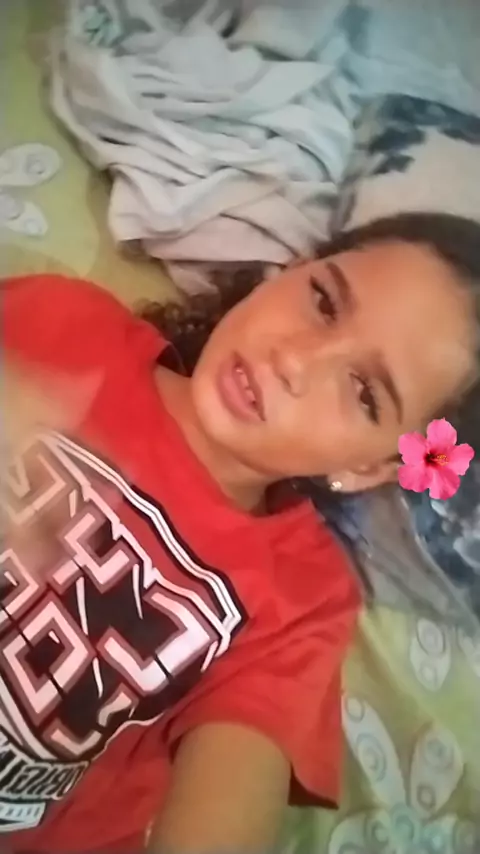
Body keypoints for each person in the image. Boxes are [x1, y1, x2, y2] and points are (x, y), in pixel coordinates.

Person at [1, 212, 479, 854]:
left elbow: (233, 782)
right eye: (323, 301)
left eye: (365, 392)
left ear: (370, 467)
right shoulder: (66, 322)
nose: (295, 359)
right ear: (288, 271)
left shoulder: (303, 596)